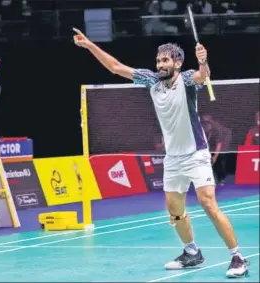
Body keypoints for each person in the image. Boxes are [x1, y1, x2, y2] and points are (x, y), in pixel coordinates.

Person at [73, 28, 248, 278]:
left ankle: (237, 256)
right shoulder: (150, 81)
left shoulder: (186, 80)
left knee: (208, 203)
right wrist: (90, 45)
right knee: (175, 210)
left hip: (196, 153)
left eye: (165, 60)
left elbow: (202, 76)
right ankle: (191, 253)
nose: (160, 64)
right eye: (158, 60)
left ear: (177, 62)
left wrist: (203, 60)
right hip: (173, 158)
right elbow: (115, 67)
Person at [201, 115, 231, 185]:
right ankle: (207, 179)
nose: (205, 124)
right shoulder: (203, 128)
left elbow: (219, 144)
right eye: (204, 122)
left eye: (207, 122)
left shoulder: (217, 130)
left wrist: (215, 157)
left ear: (210, 122)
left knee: (220, 160)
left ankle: (221, 179)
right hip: (210, 145)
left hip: (222, 143)